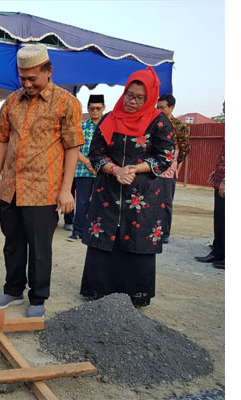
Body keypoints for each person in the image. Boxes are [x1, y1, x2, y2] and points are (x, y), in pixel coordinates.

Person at [0, 44, 84, 318]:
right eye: (23, 78)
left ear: (49, 71)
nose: (27, 84)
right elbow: (3, 141)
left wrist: (66, 190)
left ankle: (38, 297)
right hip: (12, 188)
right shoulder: (12, 101)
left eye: (33, 78)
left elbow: (72, 148)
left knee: (40, 248)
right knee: (12, 242)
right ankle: (13, 290)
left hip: (44, 189)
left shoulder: (67, 102)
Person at [79, 66, 175, 307]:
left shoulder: (158, 122)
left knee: (137, 237)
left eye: (139, 98)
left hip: (142, 192)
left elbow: (165, 156)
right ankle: (98, 289)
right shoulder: (111, 118)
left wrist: (134, 169)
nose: (132, 101)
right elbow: (95, 153)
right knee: (105, 234)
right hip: (108, 190)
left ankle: (135, 293)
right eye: (129, 95)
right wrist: (115, 170)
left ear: (150, 97)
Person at [68, 94, 104, 241]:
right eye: (92, 108)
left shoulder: (108, 126)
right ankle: (78, 231)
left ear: (103, 108)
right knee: (81, 201)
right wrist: (89, 164)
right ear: (88, 109)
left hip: (103, 171)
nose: (95, 111)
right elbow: (75, 149)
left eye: (98, 108)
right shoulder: (81, 126)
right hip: (83, 170)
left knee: (100, 202)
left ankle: (95, 231)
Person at [156, 94, 190, 244]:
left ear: (172, 107)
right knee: (151, 200)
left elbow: (184, 150)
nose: (160, 110)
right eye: (158, 107)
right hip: (154, 165)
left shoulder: (180, 126)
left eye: (162, 108)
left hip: (170, 167)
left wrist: (176, 167)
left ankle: (165, 232)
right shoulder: (154, 123)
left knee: (166, 202)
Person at [195, 101, 225, 269]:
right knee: (220, 218)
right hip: (220, 179)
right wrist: (217, 173)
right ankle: (218, 252)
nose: (223, 108)